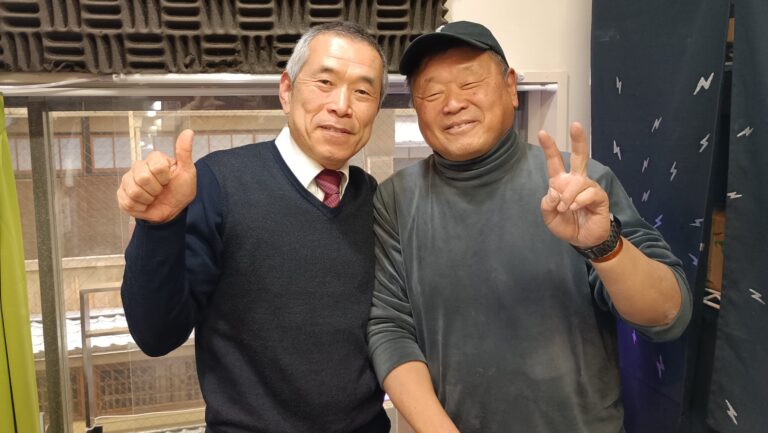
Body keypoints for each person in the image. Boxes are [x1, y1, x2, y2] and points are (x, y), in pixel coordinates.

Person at [367, 21, 692, 433]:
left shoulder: (580, 187)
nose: (453, 103)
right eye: (432, 93)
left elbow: (667, 316)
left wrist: (604, 245)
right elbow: (390, 327)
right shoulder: (396, 199)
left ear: (510, 87)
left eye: (470, 83)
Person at [117, 21, 390, 433]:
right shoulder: (217, 184)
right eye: (324, 82)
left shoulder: (375, 199)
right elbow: (156, 335)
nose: (341, 105)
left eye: (363, 92)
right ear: (287, 90)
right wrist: (158, 228)